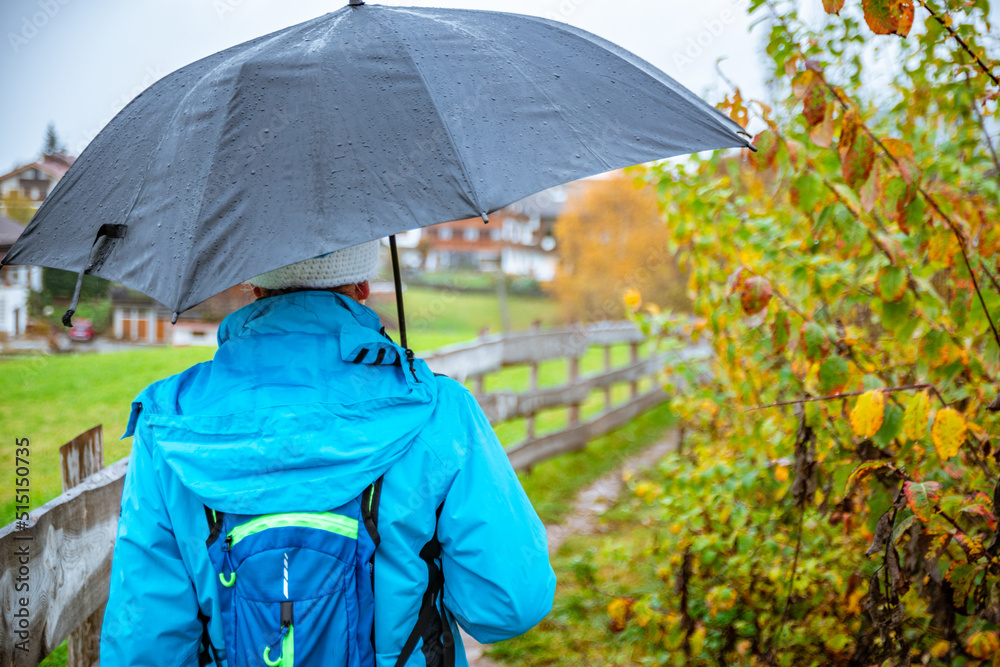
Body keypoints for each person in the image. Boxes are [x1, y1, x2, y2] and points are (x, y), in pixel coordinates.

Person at [100, 240, 556, 666]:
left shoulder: (169, 422)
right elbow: (507, 605)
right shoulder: (437, 409)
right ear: (363, 287)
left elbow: (143, 641)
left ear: (254, 286)